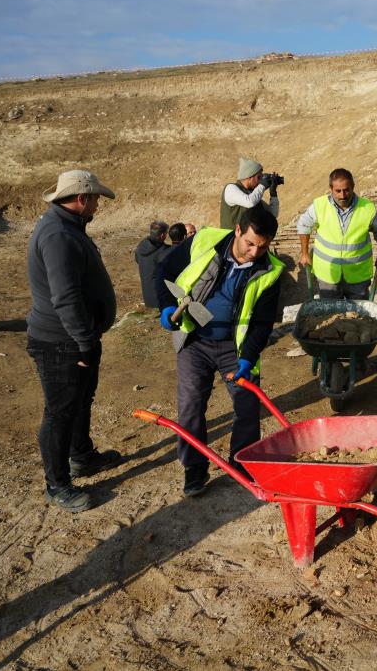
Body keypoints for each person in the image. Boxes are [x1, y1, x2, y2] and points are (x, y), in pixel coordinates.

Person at [156, 204, 284, 497]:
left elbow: (262, 324)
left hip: (234, 348)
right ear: (237, 230)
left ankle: (242, 466)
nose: (254, 253)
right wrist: (165, 306)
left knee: (247, 407)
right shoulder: (205, 241)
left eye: (262, 247)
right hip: (195, 341)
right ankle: (194, 471)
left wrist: (248, 358)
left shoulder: (271, 271)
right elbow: (164, 268)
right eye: (250, 243)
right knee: (190, 405)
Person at [26, 169, 124, 513]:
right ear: (81, 199)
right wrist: (83, 342)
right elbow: (64, 297)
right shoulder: (58, 235)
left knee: (81, 399)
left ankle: (81, 455)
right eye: (95, 197)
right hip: (61, 342)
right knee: (60, 412)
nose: (98, 202)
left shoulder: (68, 227)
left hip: (76, 337)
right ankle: (57, 484)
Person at [297, 168, 377, 299]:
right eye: (338, 191)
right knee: (331, 314)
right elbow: (303, 225)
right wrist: (304, 253)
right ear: (331, 188)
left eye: (346, 190)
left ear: (353, 187)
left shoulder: (367, 208)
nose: (342, 195)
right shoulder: (319, 205)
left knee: (358, 314)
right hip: (328, 274)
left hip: (357, 274)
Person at [220, 156, 280, 228]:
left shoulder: (252, 195)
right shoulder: (230, 188)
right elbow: (249, 202)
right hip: (232, 238)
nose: (260, 181)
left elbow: (273, 214)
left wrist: (273, 193)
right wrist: (262, 185)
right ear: (249, 177)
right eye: (259, 177)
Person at [134, 220, 170, 308]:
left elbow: (137, 260)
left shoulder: (141, 246)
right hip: (160, 297)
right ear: (162, 235)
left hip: (147, 296)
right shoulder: (164, 251)